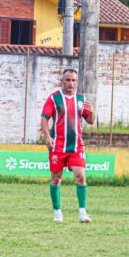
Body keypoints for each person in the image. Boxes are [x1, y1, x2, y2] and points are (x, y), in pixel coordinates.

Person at [40, 69, 95, 223]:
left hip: (76, 146)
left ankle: (83, 213)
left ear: (77, 82)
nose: (70, 83)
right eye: (68, 80)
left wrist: (91, 111)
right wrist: (47, 137)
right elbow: (44, 118)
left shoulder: (81, 99)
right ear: (62, 81)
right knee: (56, 179)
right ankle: (57, 213)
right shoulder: (54, 98)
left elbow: (90, 121)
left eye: (73, 80)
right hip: (58, 146)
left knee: (81, 176)